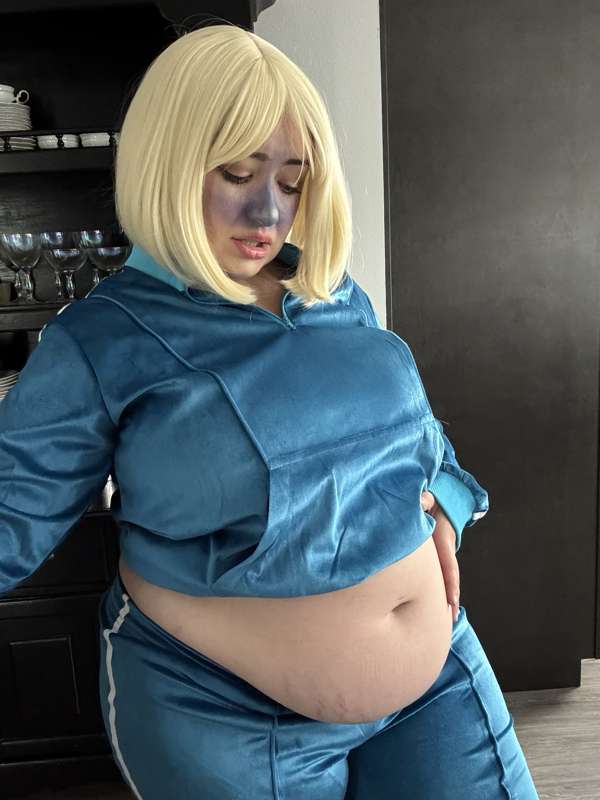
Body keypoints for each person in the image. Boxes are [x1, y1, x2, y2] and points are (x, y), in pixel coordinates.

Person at [0, 21, 539, 800]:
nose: (268, 213)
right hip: (227, 720)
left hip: (438, 679)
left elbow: (413, 440)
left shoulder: (332, 291)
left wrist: (448, 510)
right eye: (236, 172)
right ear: (167, 164)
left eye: (291, 180)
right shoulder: (102, 340)